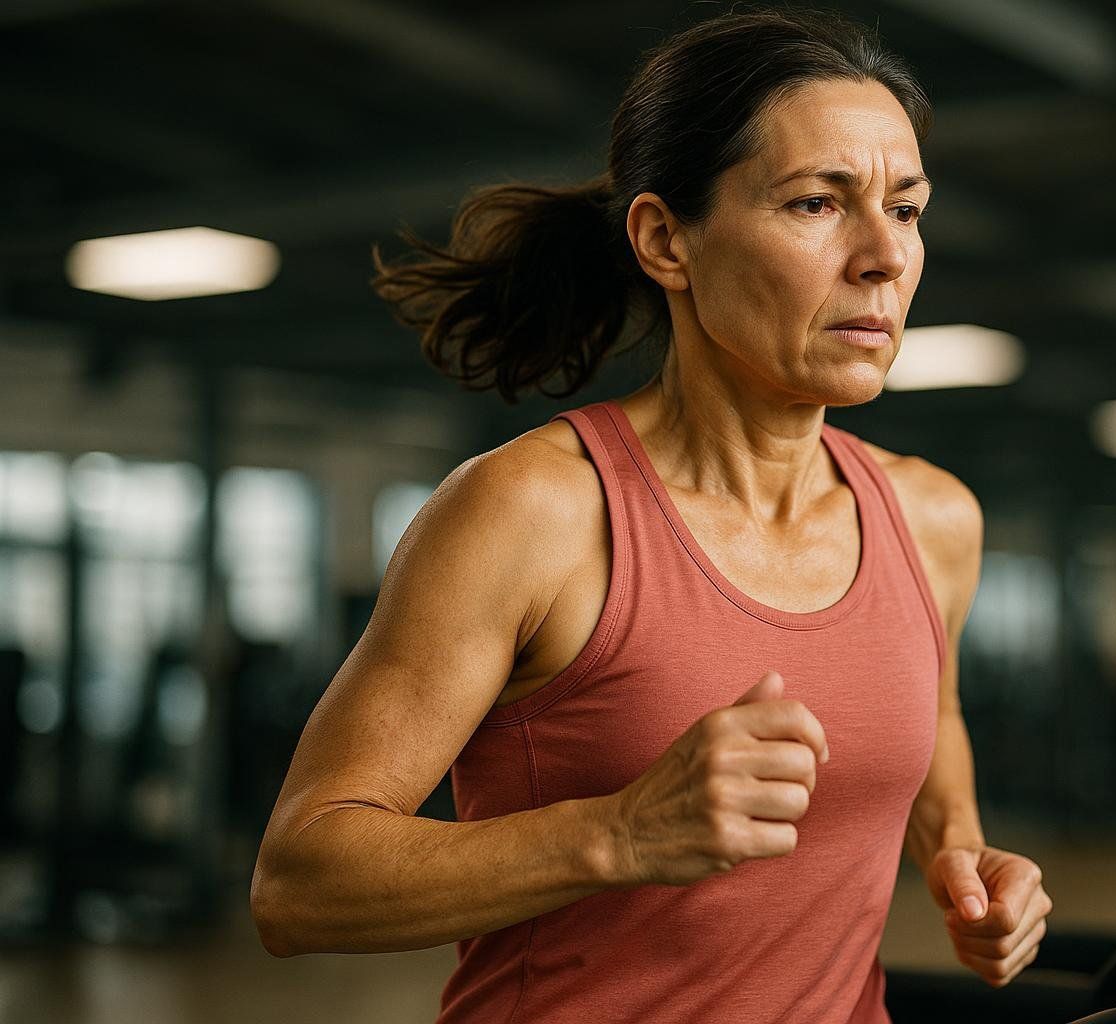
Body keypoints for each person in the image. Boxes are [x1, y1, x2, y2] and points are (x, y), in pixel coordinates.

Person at [250, 6, 1052, 1022]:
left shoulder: (934, 520)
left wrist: (968, 863)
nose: (884, 257)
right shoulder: (533, 512)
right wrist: (621, 832)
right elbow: (299, 882)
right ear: (666, 239)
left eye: (906, 208)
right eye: (817, 204)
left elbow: (929, 721)